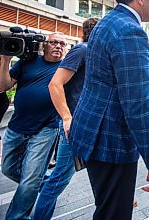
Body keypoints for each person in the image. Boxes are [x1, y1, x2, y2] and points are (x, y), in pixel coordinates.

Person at [70, 0, 149, 220]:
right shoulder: (130, 31)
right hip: (111, 140)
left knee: (107, 208)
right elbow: (137, 103)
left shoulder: (107, 22)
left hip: (93, 133)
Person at [0, 33, 67, 220]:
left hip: (46, 129)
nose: (58, 46)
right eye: (53, 42)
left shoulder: (66, 68)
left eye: (62, 43)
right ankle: (47, 185)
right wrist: (5, 60)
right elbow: (1, 87)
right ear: (44, 46)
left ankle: (17, 216)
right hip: (17, 126)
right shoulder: (28, 61)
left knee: (29, 181)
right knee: (8, 169)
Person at [32, 18, 99, 220]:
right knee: (60, 178)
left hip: (88, 124)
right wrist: (67, 118)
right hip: (76, 126)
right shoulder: (82, 50)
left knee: (96, 170)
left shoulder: (94, 53)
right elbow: (55, 84)